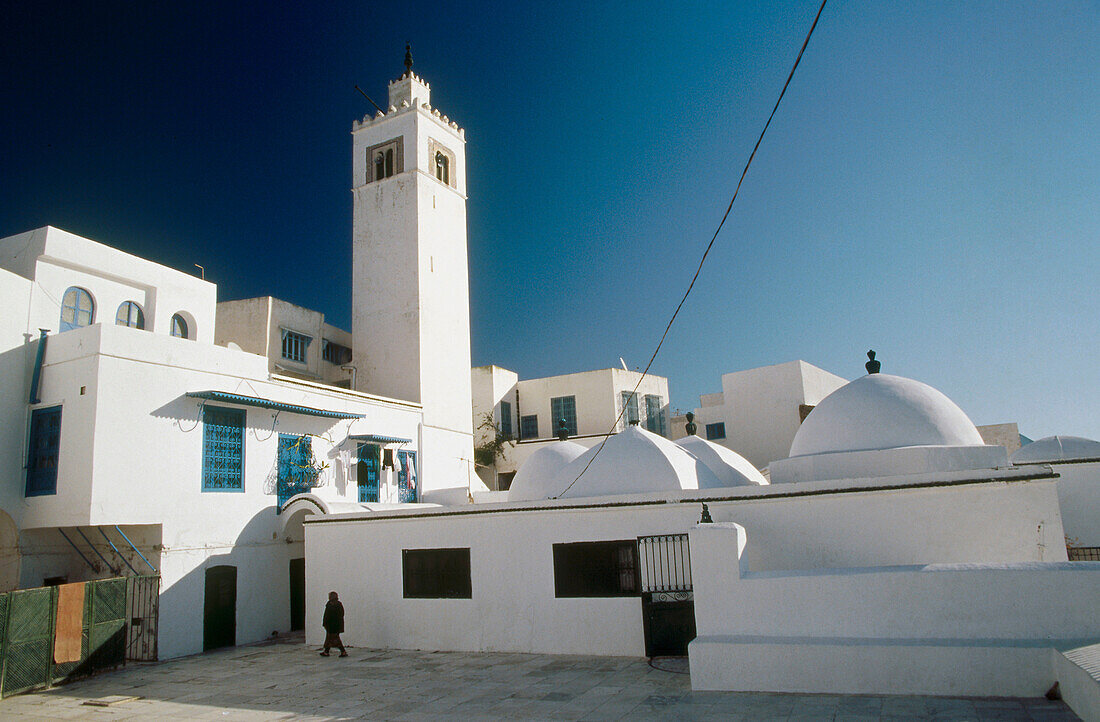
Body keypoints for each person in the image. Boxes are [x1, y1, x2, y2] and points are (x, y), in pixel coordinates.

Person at [320, 591, 347, 657]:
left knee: (335, 639)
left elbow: (339, 615)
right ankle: (326, 651)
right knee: (329, 638)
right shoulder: (331, 604)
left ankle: (343, 651)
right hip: (330, 625)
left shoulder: (335, 605)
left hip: (334, 625)